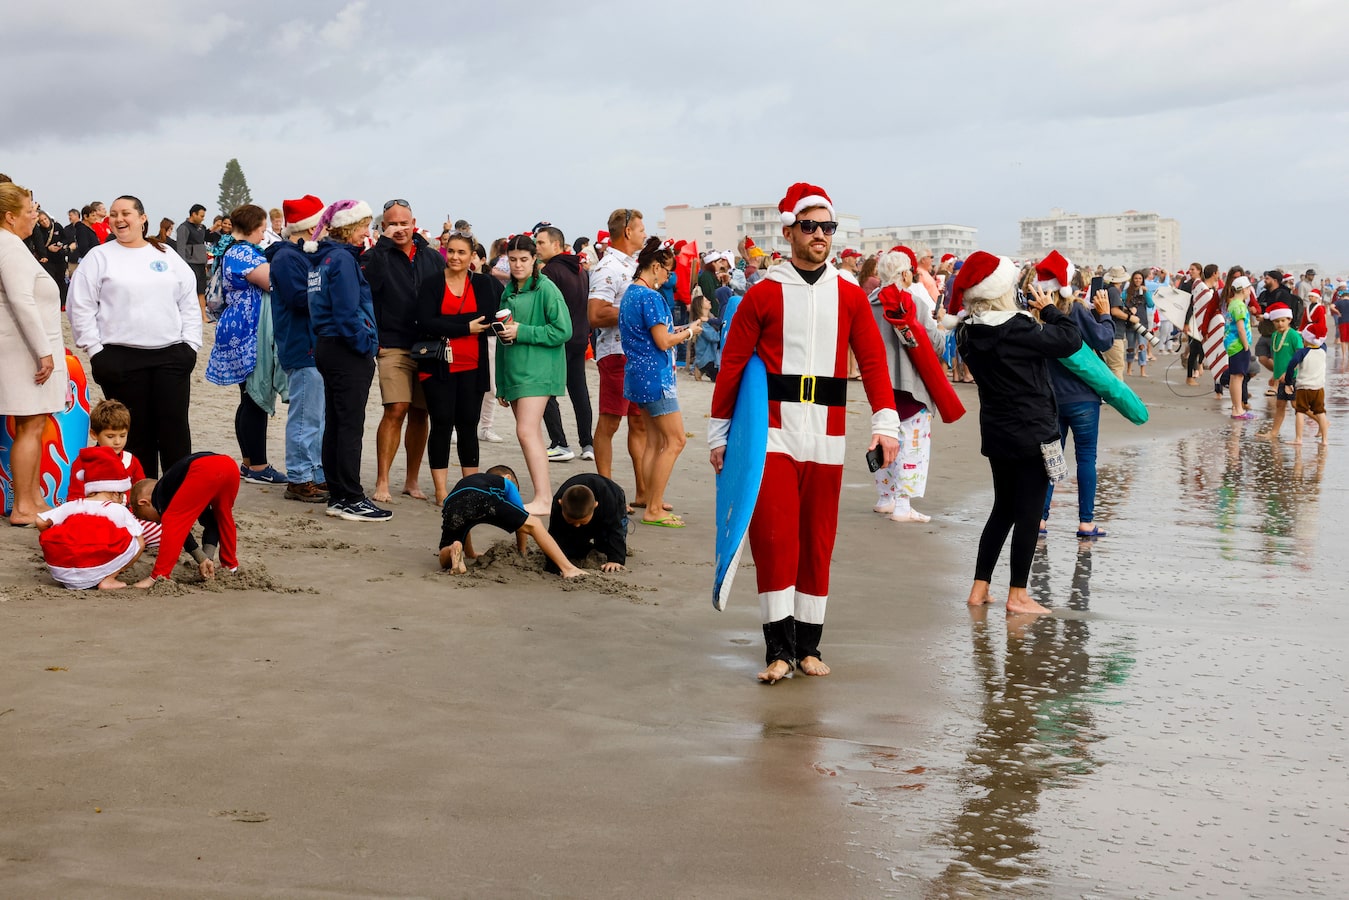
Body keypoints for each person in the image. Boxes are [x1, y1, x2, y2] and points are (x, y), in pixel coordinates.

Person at [709, 182, 900, 683]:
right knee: (775, 539)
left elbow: (875, 363)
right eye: (810, 226)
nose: (820, 235)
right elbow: (731, 366)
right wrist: (718, 435)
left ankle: (809, 647)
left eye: (828, 227)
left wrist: (885, 423)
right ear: (790, 230)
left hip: (828, 434)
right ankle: (777, 650)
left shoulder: (851, 296)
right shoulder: (763, 294)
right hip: (772, 432)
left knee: (818, 540)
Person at [954, 252, 1082, 616]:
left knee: (1003, 509)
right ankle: (1018, 595)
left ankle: (979, 588)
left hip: (997, 431)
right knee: (1028, 513)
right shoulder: (1018, 328)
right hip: (1034, 431)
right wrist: (1052, 310)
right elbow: (1070, 341)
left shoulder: (968, 331)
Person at [67, 195, 200, 478]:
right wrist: (95, 350)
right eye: (113, 214)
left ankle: (176, 501)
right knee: (135, 435)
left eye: (126, 213)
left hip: (171, 356)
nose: (118, 219)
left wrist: (190, 344)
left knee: (174, 431)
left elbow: (188, 299)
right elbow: (80, 305)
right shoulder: (100, 256)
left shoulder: (165, 253)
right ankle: (141, 503)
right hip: (120, 358)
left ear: (142, 218)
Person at [307, 199, 391, 522]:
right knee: (349, 424)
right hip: (345, 348)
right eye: (365, 226)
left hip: (328, 346)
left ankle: (339, 493)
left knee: (337, 421)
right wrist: (367, 342)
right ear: (353, 228)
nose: (367, 232)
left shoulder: (321, 258)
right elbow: (345, 313)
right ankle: (351, 497)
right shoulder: (341, 259)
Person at [415, 229, 503, 505]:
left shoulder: (483, 284)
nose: (455, 256)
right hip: (437, 365)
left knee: (468, 425)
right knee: (441, 424)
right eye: (451, 251)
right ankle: (441, 490)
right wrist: (465, 326)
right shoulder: (431, 283)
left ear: (472, 256)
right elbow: (425, 321)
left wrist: (449, 323)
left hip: (473, 365)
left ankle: (470, 486)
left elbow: (488, 318)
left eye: (461, 252)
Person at [619, 237, 701, 528]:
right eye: (668, 271)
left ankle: (651, 499)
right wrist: (689, 334)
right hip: (656, 378)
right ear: (655, 267)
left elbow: (653, 334)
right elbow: (663, 340)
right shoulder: (651, 297)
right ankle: (654, 507)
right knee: (675, 440)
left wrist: (684, 329)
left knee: (654, 442)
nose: (669, 277)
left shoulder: (631, 294)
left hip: (637, 376)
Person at [1034, 253, 1116, 539]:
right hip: (1083, 398)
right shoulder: (1077, 310)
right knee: (1086, 459)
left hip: (1049, 398)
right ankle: (1085, 522)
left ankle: (1040, 520)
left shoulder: (1035, 314)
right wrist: (1104, 313)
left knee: (1050, 459)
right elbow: (1104, 340)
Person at [205, 204, 288, 485]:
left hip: (238, 326)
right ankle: (258, 466)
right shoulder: (243, 252)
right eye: (262, 227)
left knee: (248, 398)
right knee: (255, 397)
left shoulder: (232, 249)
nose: (265, 231)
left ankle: (250, 462)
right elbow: (274, 283)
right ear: (253, 226)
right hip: (249, 329)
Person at [361, 199, 437, 504]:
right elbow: (369, 285)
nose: (400, 228)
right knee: (396, 408)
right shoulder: (373, 256)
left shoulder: (431, 257)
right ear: (383, 226)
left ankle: (411, 480)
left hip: (428, 344)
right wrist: (382, 246)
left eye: (404, 223)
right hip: (392, 343)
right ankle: (382, 481)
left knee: (421, 412)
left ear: (414, 222)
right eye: (392, 223)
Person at [0, 182, 67, 526]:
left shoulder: (11, 244)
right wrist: (44, 352)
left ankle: (34, 497)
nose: (35, 216)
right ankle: (24, 505)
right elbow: (21, 301)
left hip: (22, 346)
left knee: (36, 424)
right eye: (30, 211)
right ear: (10, 217)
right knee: (29, 425)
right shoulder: (9, 247)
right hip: (23, 350)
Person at [494, 234, 571, 515]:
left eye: (523, 260)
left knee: (526, 431)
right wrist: (500, 382)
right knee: (531, 434)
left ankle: (544, 498)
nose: (517, 265)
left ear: (534, 259)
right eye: (512, 260)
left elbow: (564, 330)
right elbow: (503, 338)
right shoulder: (508, 290)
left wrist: (523, 330)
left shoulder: (547, 289)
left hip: (539, 370)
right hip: (514, 371)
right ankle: (543, 496)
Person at [867, 247, 942, 523]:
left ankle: (885, 497)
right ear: (904, 273)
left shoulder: (869, 303)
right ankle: (902, 503)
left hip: (879, 384)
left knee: (883, 436)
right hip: (910, 384)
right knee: (912, 446)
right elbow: (935, 343)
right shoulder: (912, 302)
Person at [589, 208, 654, 508]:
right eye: (641, 229)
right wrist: (636, 312)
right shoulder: (607, 267)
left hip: (637, 353)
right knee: (610, 422)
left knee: (639, 423)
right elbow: (595, 313)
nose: (644, 233)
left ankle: (642, 491)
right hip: (616, 354)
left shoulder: (633, 265)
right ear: (627, 231)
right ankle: (607, 492)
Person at [266, 194, 328, 503]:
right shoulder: (288, 258)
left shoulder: (301, 255)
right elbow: (299, 299)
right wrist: (331, 294)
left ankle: (314, 472)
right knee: (305, 415)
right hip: (302, 344)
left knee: (317, 415)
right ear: (310, 226)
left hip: (313, 344)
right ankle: (300, 476)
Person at [437, 465, 584, 579]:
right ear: (508, 477)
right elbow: (523, 522)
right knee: (535, 524)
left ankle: (452, 549)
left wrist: (470, 553)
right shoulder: (506, 483)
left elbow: (466, 523)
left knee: (450, 541)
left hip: (452, 501)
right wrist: (522, 551)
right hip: (483, 496)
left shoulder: (474, 480)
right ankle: (568, 569)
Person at [35, 447, 145, 590]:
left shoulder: (72, 505)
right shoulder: (117, 509)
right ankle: (109, 578)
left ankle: (73, 573)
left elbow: (40, 522)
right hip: (95, 567)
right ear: (115, 492)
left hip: (63, 572)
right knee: (136, 541)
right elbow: (141, 543)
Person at [129, 451, 240, 586]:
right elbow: (211, 524)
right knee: (222, 516)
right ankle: (230, 566)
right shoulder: (181, 487)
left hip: (203, 469)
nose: (157, 522)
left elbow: (179, 530)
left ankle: (159, 576)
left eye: (149, 518)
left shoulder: (160, 495)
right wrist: (206, 559)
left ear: (144, 502)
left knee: (172, 520)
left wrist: (202, 558)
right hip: (229, 465)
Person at [536, 225, 594, 463]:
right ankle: (587, 443)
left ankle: (559, 442)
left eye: (541, 243)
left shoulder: (551, 271)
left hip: (559, 340)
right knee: (579, 391)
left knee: (546, 392)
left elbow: (545, 310)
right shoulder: (580, 270)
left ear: (556, 245)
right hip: (579, 338)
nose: (537, 247)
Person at [546, 473, 627, 573]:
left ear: (595, 505)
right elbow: (555, 533)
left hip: (612, 495)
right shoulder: (558, 503)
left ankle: (601, 545)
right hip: (580, 505)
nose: (577, 525)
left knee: (605, 542)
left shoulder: (609, 502)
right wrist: (553, 564)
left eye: (582, 521)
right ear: (560, 503)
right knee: (572, 545)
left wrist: (615, 559)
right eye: (571, 521)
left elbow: (616, 530)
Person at [68, 400, 147, 499]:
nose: (117, 442)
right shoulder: (84, 462)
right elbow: (75, 498)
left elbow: (140, 495)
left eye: (122, 435)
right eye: (110, 436)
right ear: (94, 434)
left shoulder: (132, 462)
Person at [1257, 303, 1303, 440]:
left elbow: (1299, 356)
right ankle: (1273, 433)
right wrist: (1275, 376)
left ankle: (1320, 420)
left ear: (1289, 320)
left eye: (1283, 320)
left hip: (1292, 377)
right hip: (1280, 378)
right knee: (1280, 405)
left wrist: (1288, 373)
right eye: (1276, 321)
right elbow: (1277, 358)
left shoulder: (1294, 335)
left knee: (1295, 405)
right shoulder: (1274, 336)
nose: (1280, 324)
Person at [1285, 320, 1329, 445]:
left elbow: (1291, 365)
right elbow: (1321, 342)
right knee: (1320, 412)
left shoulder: (1302, 352)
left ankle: (1298, 439)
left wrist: (1288, 382)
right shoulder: (1323, 351)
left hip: (1303, 387)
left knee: (1300, 411)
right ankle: (1325, 440)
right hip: (1319, 388)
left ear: (1307, 339)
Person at [1224, 275, 1255, 419]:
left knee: (1234, 377)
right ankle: (1238, 409)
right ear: (1243, 290)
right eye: (1249, 288)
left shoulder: (1232, 304)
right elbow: (1241, 328)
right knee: (1238, 377)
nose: (1250, 291)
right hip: (1238, 345)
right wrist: (1246, 345)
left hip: (1231, 344)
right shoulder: (1239, 306)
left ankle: (1236, 407)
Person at [25, 209, 69, 308]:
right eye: (41, 221)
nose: (44, 222)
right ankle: (53, 303)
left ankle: (63, 303)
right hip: (48, 260)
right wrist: (47, 248)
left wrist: (61, 245)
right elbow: (38, 244)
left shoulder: (57, 226)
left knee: (61, 281)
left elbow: (65, 238)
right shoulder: (39, 231)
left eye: (45, 219)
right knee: (51, 281)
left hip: (60, 258)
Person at [1183, 263, 1218, 385]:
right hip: (1194, 321)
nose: (1190, 271)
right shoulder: (1188, 285)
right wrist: (1185, 322)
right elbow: (1188, 305)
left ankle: (1199, 366)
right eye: (1190, 269)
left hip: (1204, 322)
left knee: (1201, 347)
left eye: (1192, 269)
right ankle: (1190, 376)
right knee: (1194, 348)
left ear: (1199, 271)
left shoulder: (1206, 287)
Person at [174, 204, 210, 322]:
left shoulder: (201, 228)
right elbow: (180, 247)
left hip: (200, 263)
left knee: (201, 290)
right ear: (193, 214)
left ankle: (203, 315)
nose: (203, 218)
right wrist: (182, 266)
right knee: (189, 291)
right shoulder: (183, 228)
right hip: (190, 264)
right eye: (201, 216)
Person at [1101, 265, 1130, 377]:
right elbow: (1115, 311)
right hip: (1115, 333)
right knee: (1117, 367)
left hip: (1110, 332)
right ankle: (1117, 393)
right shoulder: (1114, 291)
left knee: (1112, 366)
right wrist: (1130, 317)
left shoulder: (1109, 289)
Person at [1123, 270, 1151, 377]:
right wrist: (1129, 310)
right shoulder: (1126, 292)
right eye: (1136, 278)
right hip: (1130, 322)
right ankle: (1129, 369)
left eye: (1140, 278)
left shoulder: (1144, 291)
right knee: (1130, 346)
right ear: (1132, 279)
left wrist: (1146, 292)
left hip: (1142, 322)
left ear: (1143, 280)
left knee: (1142, 346)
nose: (1138, 280)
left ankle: (1142, 370)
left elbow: (1151, 304)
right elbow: (1122, 304)